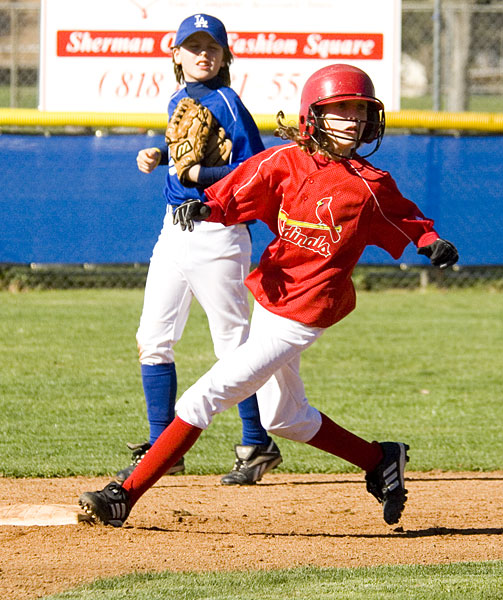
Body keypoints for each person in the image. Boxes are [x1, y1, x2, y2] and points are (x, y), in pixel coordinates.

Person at [80, 63, 459, 528]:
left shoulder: (369, 185)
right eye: (341, 109)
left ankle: (124, 496)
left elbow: (406, 217)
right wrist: (208, 206)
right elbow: (239, 188)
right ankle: (380, 459)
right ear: (313, 115)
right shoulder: (283, 162)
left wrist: (429, 241)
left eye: (361, 111)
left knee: (203, 397)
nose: (354, 119)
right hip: (271, 298)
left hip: (307, 313)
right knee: (284, 417)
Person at [115, 13, 282, 486]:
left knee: (232, 345)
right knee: (152, 338)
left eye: (212, 47)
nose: (203, 54)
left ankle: (257, 442)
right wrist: (160, 154)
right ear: (176, 54)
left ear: (225, 56)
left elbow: (256, 168)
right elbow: (187, 148)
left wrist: (197, 175)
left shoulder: (228, 102)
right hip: (173, 231)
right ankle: (162, 448)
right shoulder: (178, 99)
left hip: (218, 232)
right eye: (194, 46)